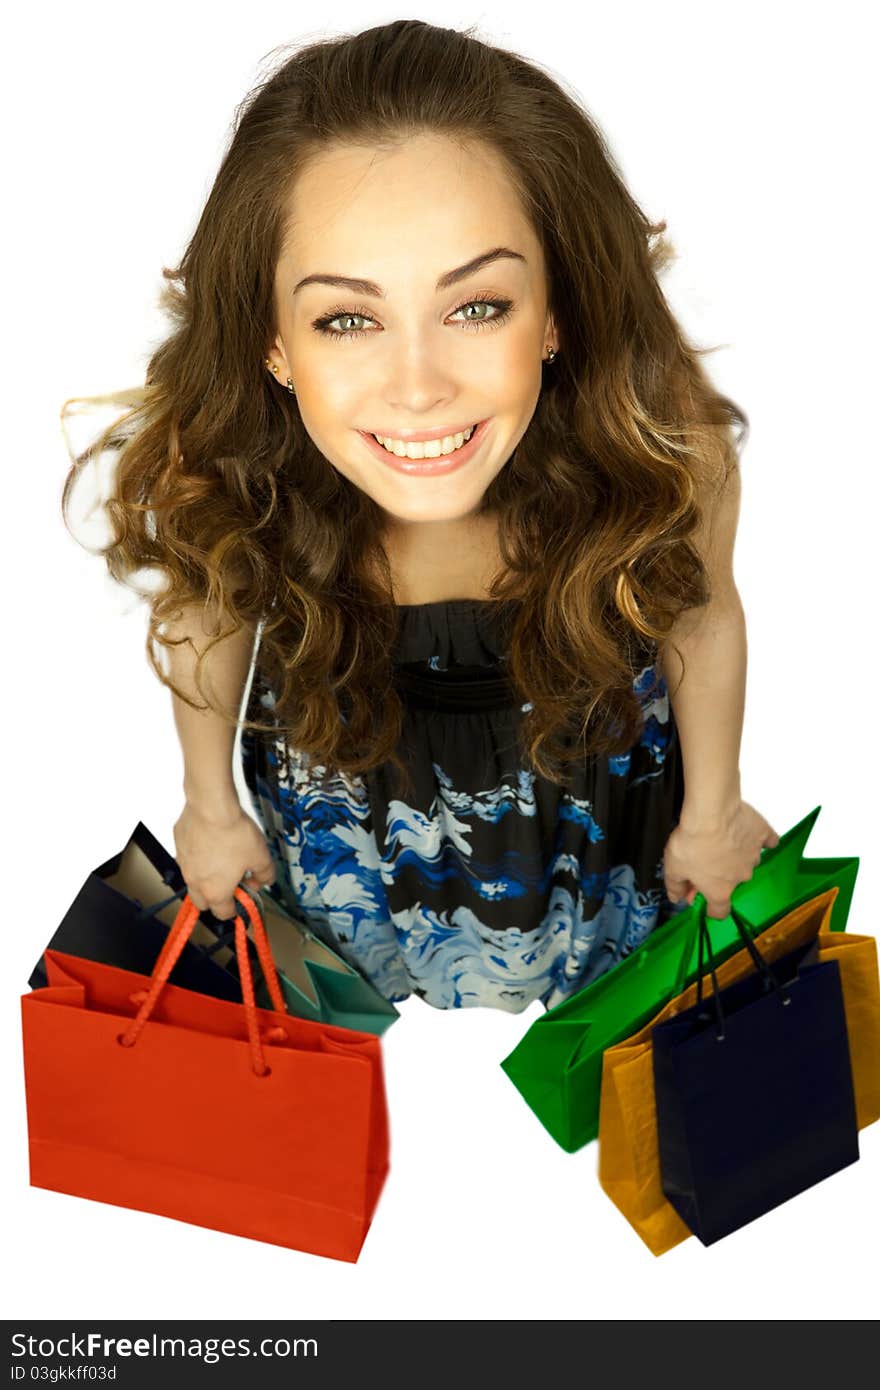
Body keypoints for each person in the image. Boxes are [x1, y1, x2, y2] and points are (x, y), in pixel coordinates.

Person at [60, 19, 778, 1014]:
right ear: (273, 341)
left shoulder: (661, 441)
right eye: (346, 318)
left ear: (556, 309)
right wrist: (208, 805)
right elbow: (206, 607)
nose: (418, 388)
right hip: (347, 788)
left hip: (597, 796)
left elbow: (702, 612)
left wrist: (712, 811)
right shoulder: (230, 455)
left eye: (477, 305)